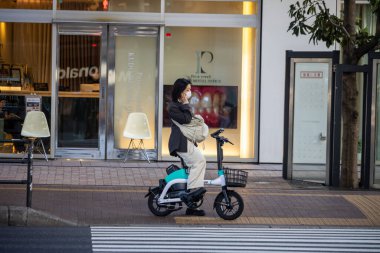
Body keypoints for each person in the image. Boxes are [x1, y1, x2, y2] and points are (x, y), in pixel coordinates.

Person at [168, 78, 207, 216]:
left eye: (190, 89)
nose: (189, 92)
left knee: (196, 166)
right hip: (180, 143)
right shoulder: (172, 106)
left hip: (187, 142)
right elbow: (186, 119)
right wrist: (185, 103)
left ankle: (192, 204)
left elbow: (188, 117)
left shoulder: (180, 105)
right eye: (187, 90)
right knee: (199, 161)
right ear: (180, 92)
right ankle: (191, 194)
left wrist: (185, 104)